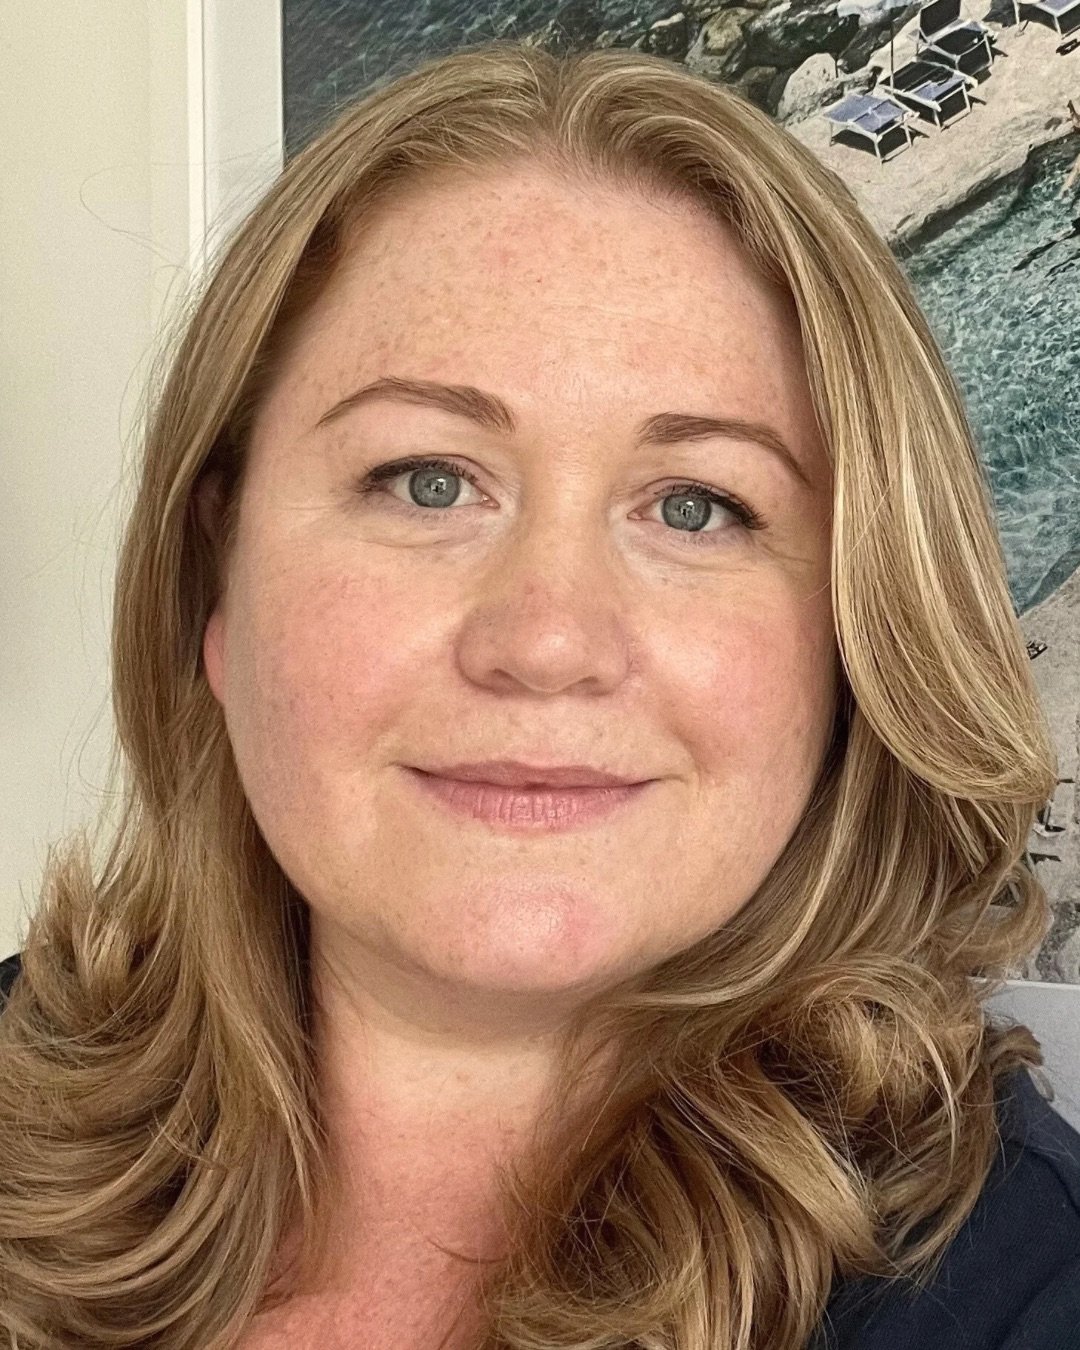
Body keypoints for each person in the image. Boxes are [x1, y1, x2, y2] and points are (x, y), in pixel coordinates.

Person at [1, 40, 1077, 1350]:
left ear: (854, 641)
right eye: (427, 480)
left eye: (697, 506)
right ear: (214, 589)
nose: (550, 638)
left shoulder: (1021, 1289)